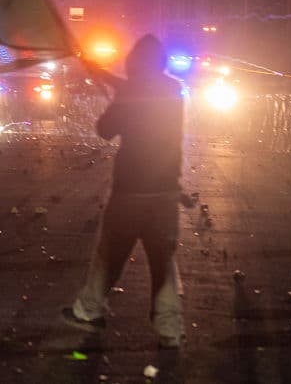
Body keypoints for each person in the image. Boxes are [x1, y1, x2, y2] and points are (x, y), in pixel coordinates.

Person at [63, 34, 185, 348]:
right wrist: (101, 74)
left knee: (109, 256)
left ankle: (89, 311)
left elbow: (105, 131)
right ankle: (170, 329)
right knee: (163, 263)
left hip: (131, 191)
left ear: (134, 62)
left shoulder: (130, 92)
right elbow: (137, 89)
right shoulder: (173, 92)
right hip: (165, 192)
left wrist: (114, 96)